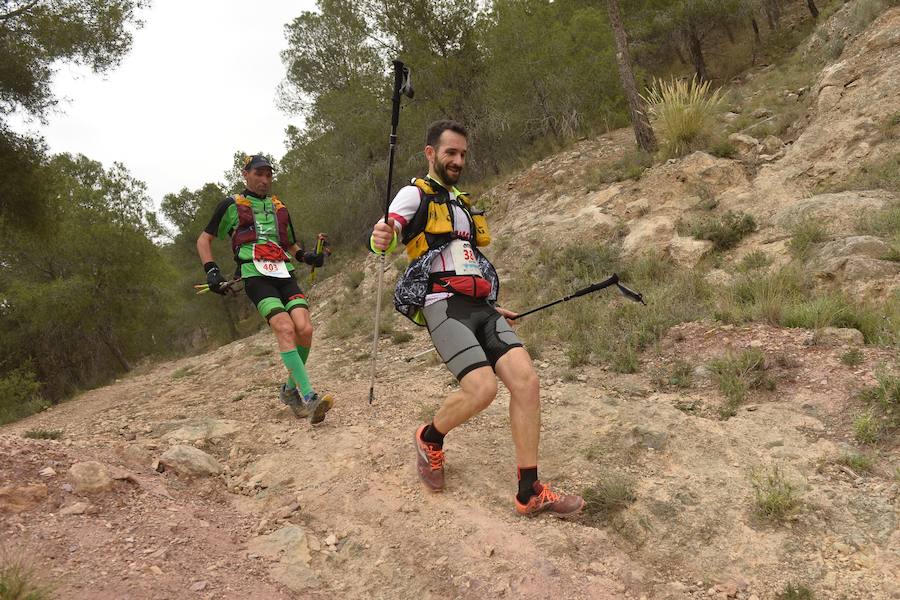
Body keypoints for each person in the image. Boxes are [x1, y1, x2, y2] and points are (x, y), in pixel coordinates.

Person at [369, 120, 584, 516]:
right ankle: (430, 437)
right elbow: (390, 227)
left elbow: (468, 260)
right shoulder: (412, 194)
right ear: (431, 153)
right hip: (443, 306)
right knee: (482, 389)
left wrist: (493, 303)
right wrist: (379, 235)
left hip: (481, 306)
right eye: (450, 152)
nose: (458, 160)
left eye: (463, 154)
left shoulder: (463, 203)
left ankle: (528, 490)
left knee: (527, 382)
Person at [197, 154, 333, 423]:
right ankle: (310, 396)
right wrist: (212, 270)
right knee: (285, 328)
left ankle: (289, 390)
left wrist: (308, 257)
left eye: (268, 175)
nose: (264, 180)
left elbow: (291, 245)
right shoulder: (230, 205)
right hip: (254, 274)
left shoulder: (279, 207)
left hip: (284, 272)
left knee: (304, 329)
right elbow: (204, 240)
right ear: (245, 174)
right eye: (259, 174)